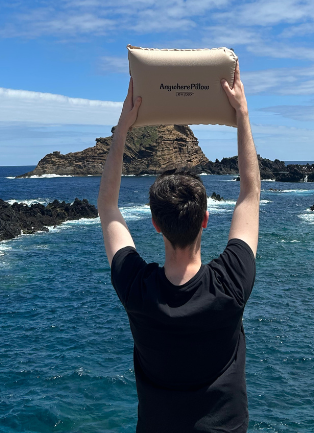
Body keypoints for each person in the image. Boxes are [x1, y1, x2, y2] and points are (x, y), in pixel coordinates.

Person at [97, 63, 261, 433]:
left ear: (155, 225)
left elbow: (108, 207)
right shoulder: (231, 283)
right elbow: (249, 196)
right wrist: (242, 114)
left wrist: (123, 127)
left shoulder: (137, 288)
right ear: (205, 220)